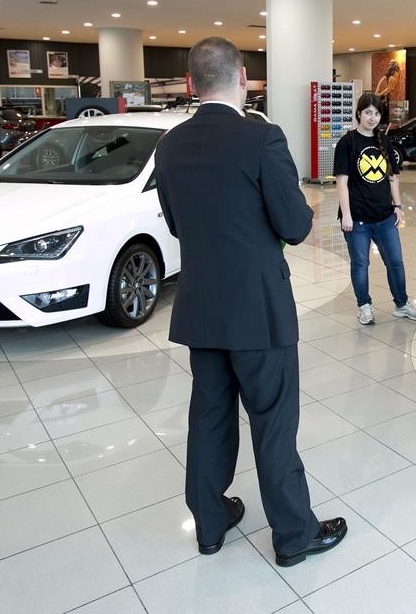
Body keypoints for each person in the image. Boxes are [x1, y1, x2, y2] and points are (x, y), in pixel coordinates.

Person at [155, 37, 347, 567]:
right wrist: (301, 209)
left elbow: (175, 223)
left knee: (210, 416)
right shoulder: (261, 139)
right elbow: (293, 224)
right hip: (259, 311)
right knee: (273, 422)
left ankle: (210, 524)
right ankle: (293, 534)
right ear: (243, 77)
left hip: (201, 307)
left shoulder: (169, 146)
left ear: (192, 84)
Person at [335, 92, 416, 325]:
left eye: (376, 113)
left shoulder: (383, 141)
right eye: (367, 113)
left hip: (385, 216)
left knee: (395, 261)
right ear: (358, 113)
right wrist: (346, 215)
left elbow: (393, 178)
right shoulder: (347, 143)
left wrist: (398, 206)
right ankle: (364, 305)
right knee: (360, 264)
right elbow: (342, 182)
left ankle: (402, 304)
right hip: (357, 219)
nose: (372, 118)